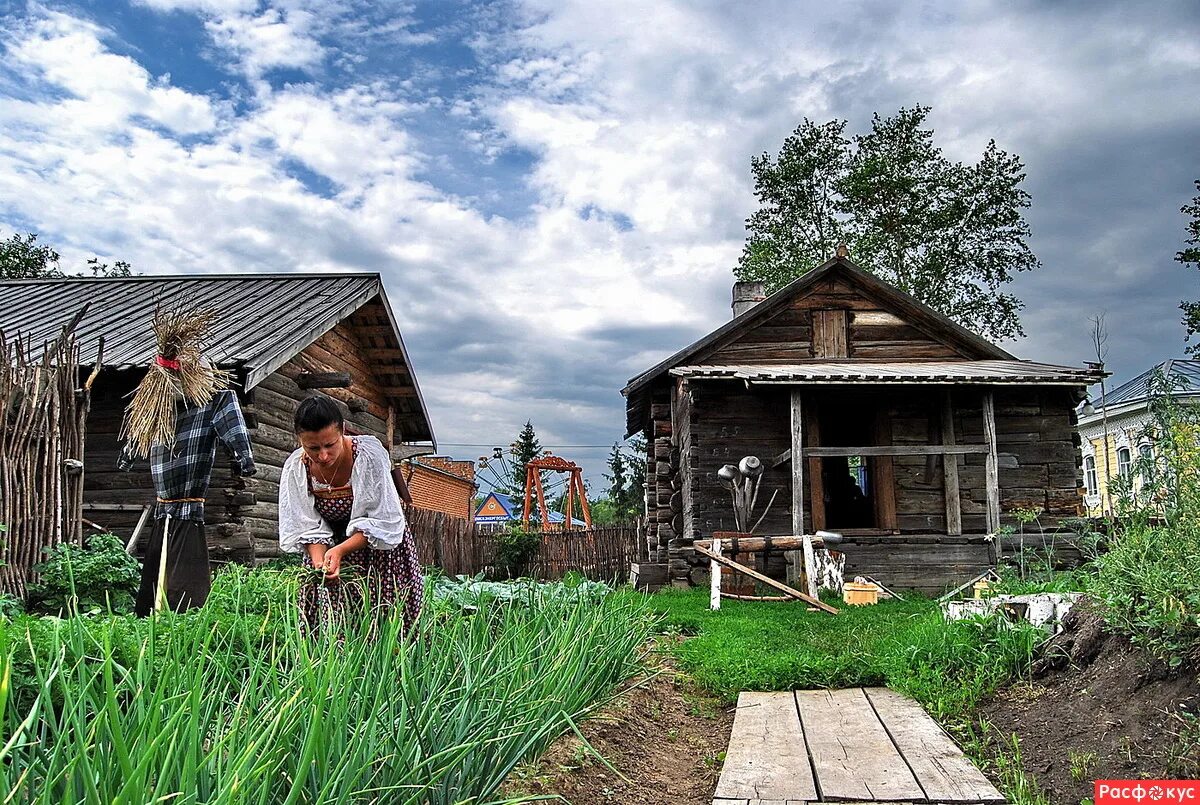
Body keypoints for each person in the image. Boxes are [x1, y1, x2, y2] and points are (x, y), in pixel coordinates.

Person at [278, 396, 422, 633]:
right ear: (300, 440)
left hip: (379, 552)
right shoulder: (297, 467)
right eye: (313, 448)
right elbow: (305, 526)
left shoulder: (367, 455)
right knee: (335, 628)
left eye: (330, 445)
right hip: (328, 551)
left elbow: (383, 521)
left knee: (385, 624)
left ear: (342, 431)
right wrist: (320, 562)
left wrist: (340, 550)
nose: (323, 455)